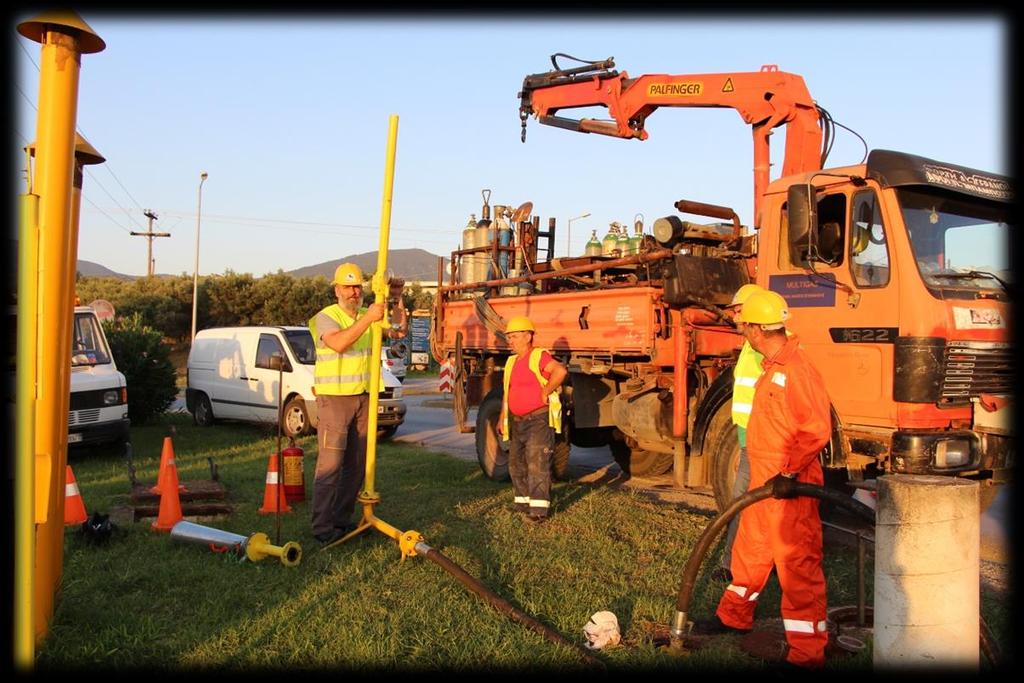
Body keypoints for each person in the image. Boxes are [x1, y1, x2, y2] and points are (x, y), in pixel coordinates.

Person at [695, 289, 833, 669]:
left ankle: (807, 653)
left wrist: (788, 473)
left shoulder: (796, 370)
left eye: (744, 325)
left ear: (756, 328)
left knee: (797, 564)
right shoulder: (772, 366)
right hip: (764, 480)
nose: (743, 331)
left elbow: (816, 430)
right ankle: (734, 618)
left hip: (790, 486)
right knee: (750, 552)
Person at [308, 262, 384, 545]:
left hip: (363, 396)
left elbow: (398, 331)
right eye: (349, 287)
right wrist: (368, 320)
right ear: (337, 289)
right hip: (335, 399)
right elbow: (338, 344)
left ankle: (341, 519)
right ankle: (321, 527)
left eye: (357, 287)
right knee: (331, 465)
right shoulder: (326, 317)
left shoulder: (368, 314)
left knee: (356, 465)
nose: (354, 292)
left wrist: (396, 300)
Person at [497, 315, 567, 523]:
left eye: (515, 336)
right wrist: (503, 417)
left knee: (537, 463)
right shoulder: (511, 362)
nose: (510, 340)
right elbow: (507, 392)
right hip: (517, 420)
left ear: (528, 337)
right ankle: (523, 504)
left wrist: (546, 390)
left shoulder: (538, 356)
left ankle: (538, 512)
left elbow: (560, 371)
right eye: (509, 336)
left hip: (538, 419)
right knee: (516, 463)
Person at [717, 283, 765, 580]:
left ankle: (731, 565)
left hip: (762, 440)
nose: (733, 317)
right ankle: (734, 563)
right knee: (746, 504)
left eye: (738, 311)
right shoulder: (751, 344)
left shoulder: (765, 347)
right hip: (750, 436)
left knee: (744, 503)